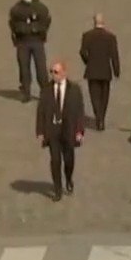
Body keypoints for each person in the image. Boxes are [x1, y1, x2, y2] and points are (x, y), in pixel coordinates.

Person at [35, 61, 85, 201]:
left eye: (56, 72)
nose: (53, 75)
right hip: (53, 130)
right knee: (55, 160)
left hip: (68, 129)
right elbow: (41, 111)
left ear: (64, 73)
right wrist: (40, 131)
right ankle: (57, 190)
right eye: (51, 71)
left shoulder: (74, 90)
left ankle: (68, 178)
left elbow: (80, 112)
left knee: (69, 159)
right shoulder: (46, 89)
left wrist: (79, 131)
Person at [9, 0, 51, 102]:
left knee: (41, 67)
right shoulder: (16, 9)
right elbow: (13, 25)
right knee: (24, 67)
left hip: (37, 41)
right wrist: (28, 28)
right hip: (23, 42)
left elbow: (46, 21)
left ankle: (45, 91)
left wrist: (36, 29)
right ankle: (26, 92)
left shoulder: (40, 7)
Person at [79, 14, 120, 131]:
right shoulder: (110, 37)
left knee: (94, 96)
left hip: (92, 70)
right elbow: (114, 56)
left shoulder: (87, 35)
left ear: (94, 22)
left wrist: (88, 61)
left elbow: (82, 52)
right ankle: (102, 117)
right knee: (104, 96)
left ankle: (98, 117)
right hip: (105, 71)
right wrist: (116, 71)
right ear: (104, 22)